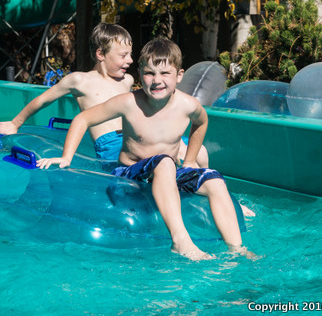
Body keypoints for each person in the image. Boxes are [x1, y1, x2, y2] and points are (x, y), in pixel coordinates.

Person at [38, 37, 253, 261]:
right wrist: (66, 156)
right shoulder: (129, 103)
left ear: (179, 76)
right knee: (165, 162)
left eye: (165, 74)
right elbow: (83, 119)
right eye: (149, 73)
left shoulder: (188, 105)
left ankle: (237, 249)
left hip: (168, 172)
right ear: (140, 74)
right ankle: (181, 241)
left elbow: (202, 122)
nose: (156, 80)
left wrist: (189, 161)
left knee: (214, 180)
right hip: (131, 175)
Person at [0, 23, 210, 167]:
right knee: (159, 162)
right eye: (123, 55)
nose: (130, 61)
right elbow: (42, 100)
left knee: (200, 153)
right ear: (100, 54)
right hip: (112, 144)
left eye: (130, 55)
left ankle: (207, 185)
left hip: (139, 136)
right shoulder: (79, 80)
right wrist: (15, 124)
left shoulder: (129, 80)